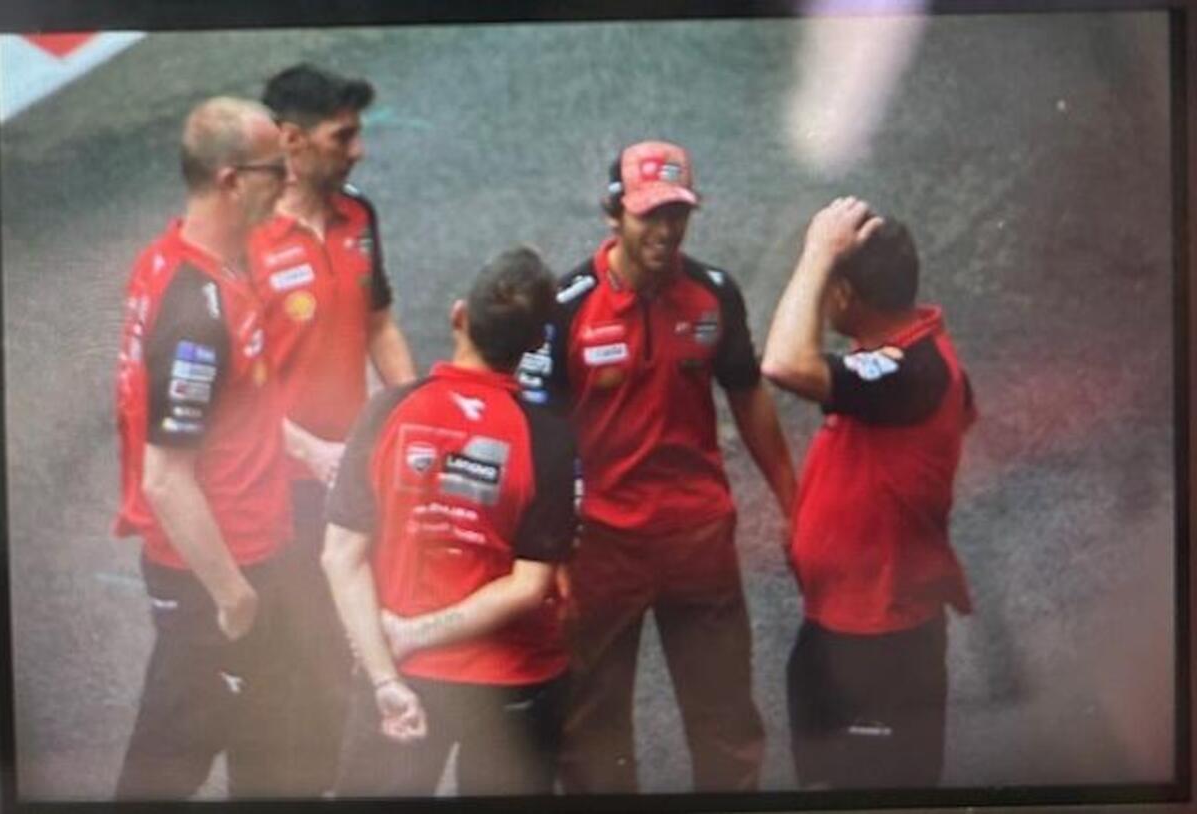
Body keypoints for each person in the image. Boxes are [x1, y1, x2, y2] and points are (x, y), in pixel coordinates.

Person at [519, 140, 796, 793]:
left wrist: (795, 501)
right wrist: (545, 551)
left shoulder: (713, 294)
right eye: (650, 215)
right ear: (614, 213)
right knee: (594, 732)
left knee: (726, 721)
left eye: (677, 214)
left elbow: (748, 393)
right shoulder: (564, 308)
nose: (666, 232)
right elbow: (536, 434)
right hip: (601, 549)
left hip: (699, 540)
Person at [322, 246, 577, 797]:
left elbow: (340, 556)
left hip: (403, 672)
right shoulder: (549, 439)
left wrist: (385, 675)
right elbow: (530, 584)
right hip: (515, 682)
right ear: (536, 344)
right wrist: (415, 634)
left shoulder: (386, 412)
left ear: (458, 316)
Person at [761, 196, 976, 788]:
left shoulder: (913, 371)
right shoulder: (898, 356)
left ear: (844, 294)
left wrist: (817, 252)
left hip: (881, 642)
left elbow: (783, 363)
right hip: (842, 625)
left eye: (829, 284)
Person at [112, 96, 292, 799]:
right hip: (218, 575)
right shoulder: (195, 311)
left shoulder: (183, 261)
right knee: (161, 776)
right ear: (231, 181)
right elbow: (165, 477)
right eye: (275, 169)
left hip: (245, 555)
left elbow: (234, 409)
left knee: (270, 755)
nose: (288, 181)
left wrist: (309, 451)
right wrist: (233, 596)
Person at [249, 63, 417, 795]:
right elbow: (233, 387)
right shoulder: (245, 237)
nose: (358, 150)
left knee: (344, 653)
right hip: (270, 490)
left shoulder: (359, 216)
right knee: (290, 665)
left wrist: (414, 414)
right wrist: (308, 449)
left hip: (348, 478)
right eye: (342, 136)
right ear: (291, 140)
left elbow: (379, 324)